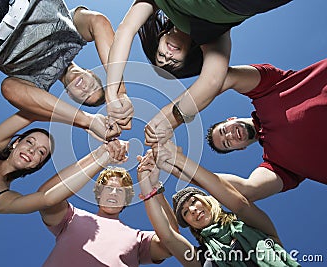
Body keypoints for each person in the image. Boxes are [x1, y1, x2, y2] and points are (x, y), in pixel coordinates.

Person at [0, 0, 131, 140]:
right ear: (90, 72)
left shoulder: (37, 84)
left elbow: (9, 89)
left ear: (69, 94)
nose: (85, 87)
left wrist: (88, 121)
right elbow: (98, 22)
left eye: (84, 95)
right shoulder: (75, 33)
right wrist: (117, 91)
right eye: (93, 85)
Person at [102, 0, 292, 142]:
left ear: (159, 38)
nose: (167, 57)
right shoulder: (212, 35)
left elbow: (126, 30)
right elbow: (212, 80)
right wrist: (169, 119)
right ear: (189, 58)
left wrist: (111, 93)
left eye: (161, 56)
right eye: (173, 63)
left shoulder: (154, 4)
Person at [0, 109, 125, 236]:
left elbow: (48, 198)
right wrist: (86, 122)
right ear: (15, 143)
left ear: (36, 165)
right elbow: (31, 112)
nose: (32, 150)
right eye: (30, 142)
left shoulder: (5, 200)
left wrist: (102, 157)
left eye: (41, 152)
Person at [137, 142, 299, 266]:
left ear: (209, 201)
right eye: (185, 213)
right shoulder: (201, 258)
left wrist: (177, 160)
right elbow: (169, 238)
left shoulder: (254, 227)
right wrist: (148, 185)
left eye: (194, 201)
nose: (192, 210)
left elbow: (239, 203)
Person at [204, 58, 327, 201]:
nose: (230, 135)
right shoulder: (278, 165)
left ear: (231, 119)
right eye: (227, 143)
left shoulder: (266, 90)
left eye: (224, 131)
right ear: (240, 148)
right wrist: (184, 167)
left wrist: (180, 113)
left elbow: (228, 77)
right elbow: (248, 190)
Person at [38, 160, 176, 266]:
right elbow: (45, 197)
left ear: (126, 200)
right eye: (109, 188)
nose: (114, 193)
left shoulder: (138, 238)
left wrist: (154, 187)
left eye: (120, 190)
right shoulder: (72, 216)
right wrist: (98, 159)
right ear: (99, 194)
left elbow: (173, 243)